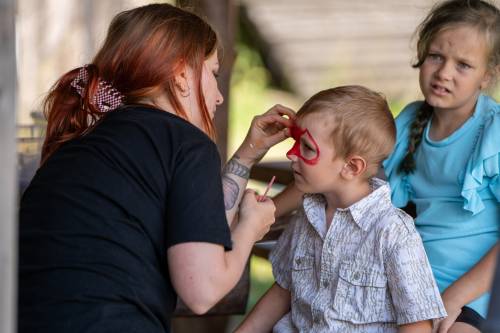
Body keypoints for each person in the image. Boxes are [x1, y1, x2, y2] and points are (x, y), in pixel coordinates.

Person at [18, 4, 295, 333]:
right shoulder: (185, 142)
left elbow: (201, 238)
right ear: (181, 74)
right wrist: (251, 226)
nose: (219, 97)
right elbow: (202, 290)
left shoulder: (85, 142)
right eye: (214, 74)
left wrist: (248, 156)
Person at [235, 86, 447, 333]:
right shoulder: (307, 215)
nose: (292, 155)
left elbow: (417, 324)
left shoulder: (393, 233)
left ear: (352, 167)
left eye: (307, 147)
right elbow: (283, 290)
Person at [383, 1, 500, 332]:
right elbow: (350, 172)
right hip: (414, 281)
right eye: (436, 56)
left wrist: (455, 297)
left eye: (463, 65)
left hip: (480, 291)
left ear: (487, 76)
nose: (444, 73)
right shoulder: (409, 121)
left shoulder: (493, 134)